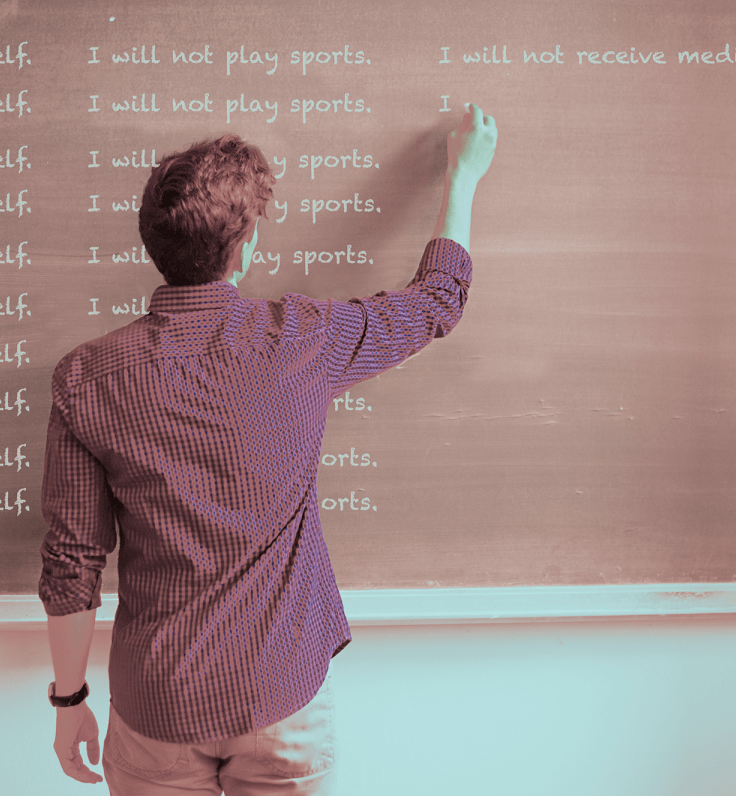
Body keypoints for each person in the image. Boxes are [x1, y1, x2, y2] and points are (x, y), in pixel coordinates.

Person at [38, 102, 497, 795]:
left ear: (151, 245)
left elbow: (73, 558)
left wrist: (69, 702)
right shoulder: (301, 342)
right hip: (280, 696)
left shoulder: (86, 377)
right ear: (246, 246)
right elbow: (437, 301)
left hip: (158, 704)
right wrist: (461, 178)